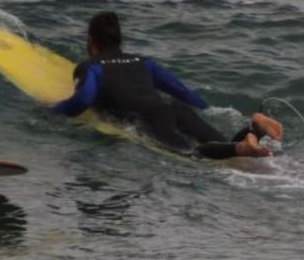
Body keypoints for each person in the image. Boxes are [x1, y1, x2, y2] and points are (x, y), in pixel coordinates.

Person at [52, 11, 282, 159]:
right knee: (222, 145)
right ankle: (255, 130)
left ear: (91, 41)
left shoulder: (91, 67)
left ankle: (243, 147)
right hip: (174, 108)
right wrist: (207, 109)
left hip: (148, 118)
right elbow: (183, 93)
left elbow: (83, 99)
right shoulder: (143, 62)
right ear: (120, 40)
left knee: (192, 153)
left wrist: (53, 109)